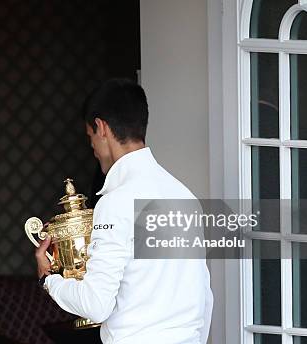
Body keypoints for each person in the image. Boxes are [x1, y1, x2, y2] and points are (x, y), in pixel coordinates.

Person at [34, 79, 213, 344]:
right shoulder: (185, 197)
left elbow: (96, 305)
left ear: (101, 128)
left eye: (90, 136)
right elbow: (204, 298)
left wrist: (49, 281)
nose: (92, 148)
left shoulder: (116, 201)